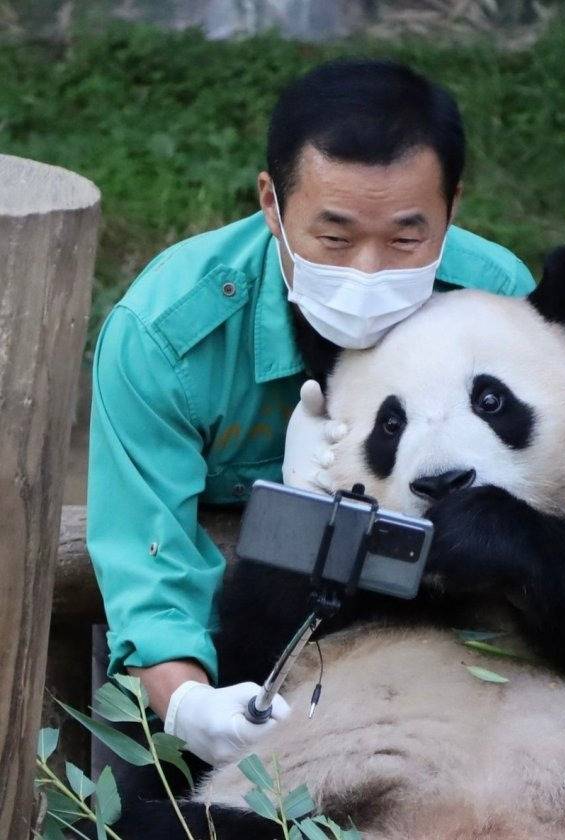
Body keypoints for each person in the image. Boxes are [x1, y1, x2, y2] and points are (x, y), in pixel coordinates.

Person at [87, 57, 536, 776]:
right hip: (231, 627)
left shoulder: (502, 305)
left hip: (428, 628)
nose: (366, 272)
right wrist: (188, 705)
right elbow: (147, 559)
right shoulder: (166, 335)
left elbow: (548, 496)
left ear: (452, 205)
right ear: (271, 202)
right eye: (333, 238)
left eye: (405, 239)